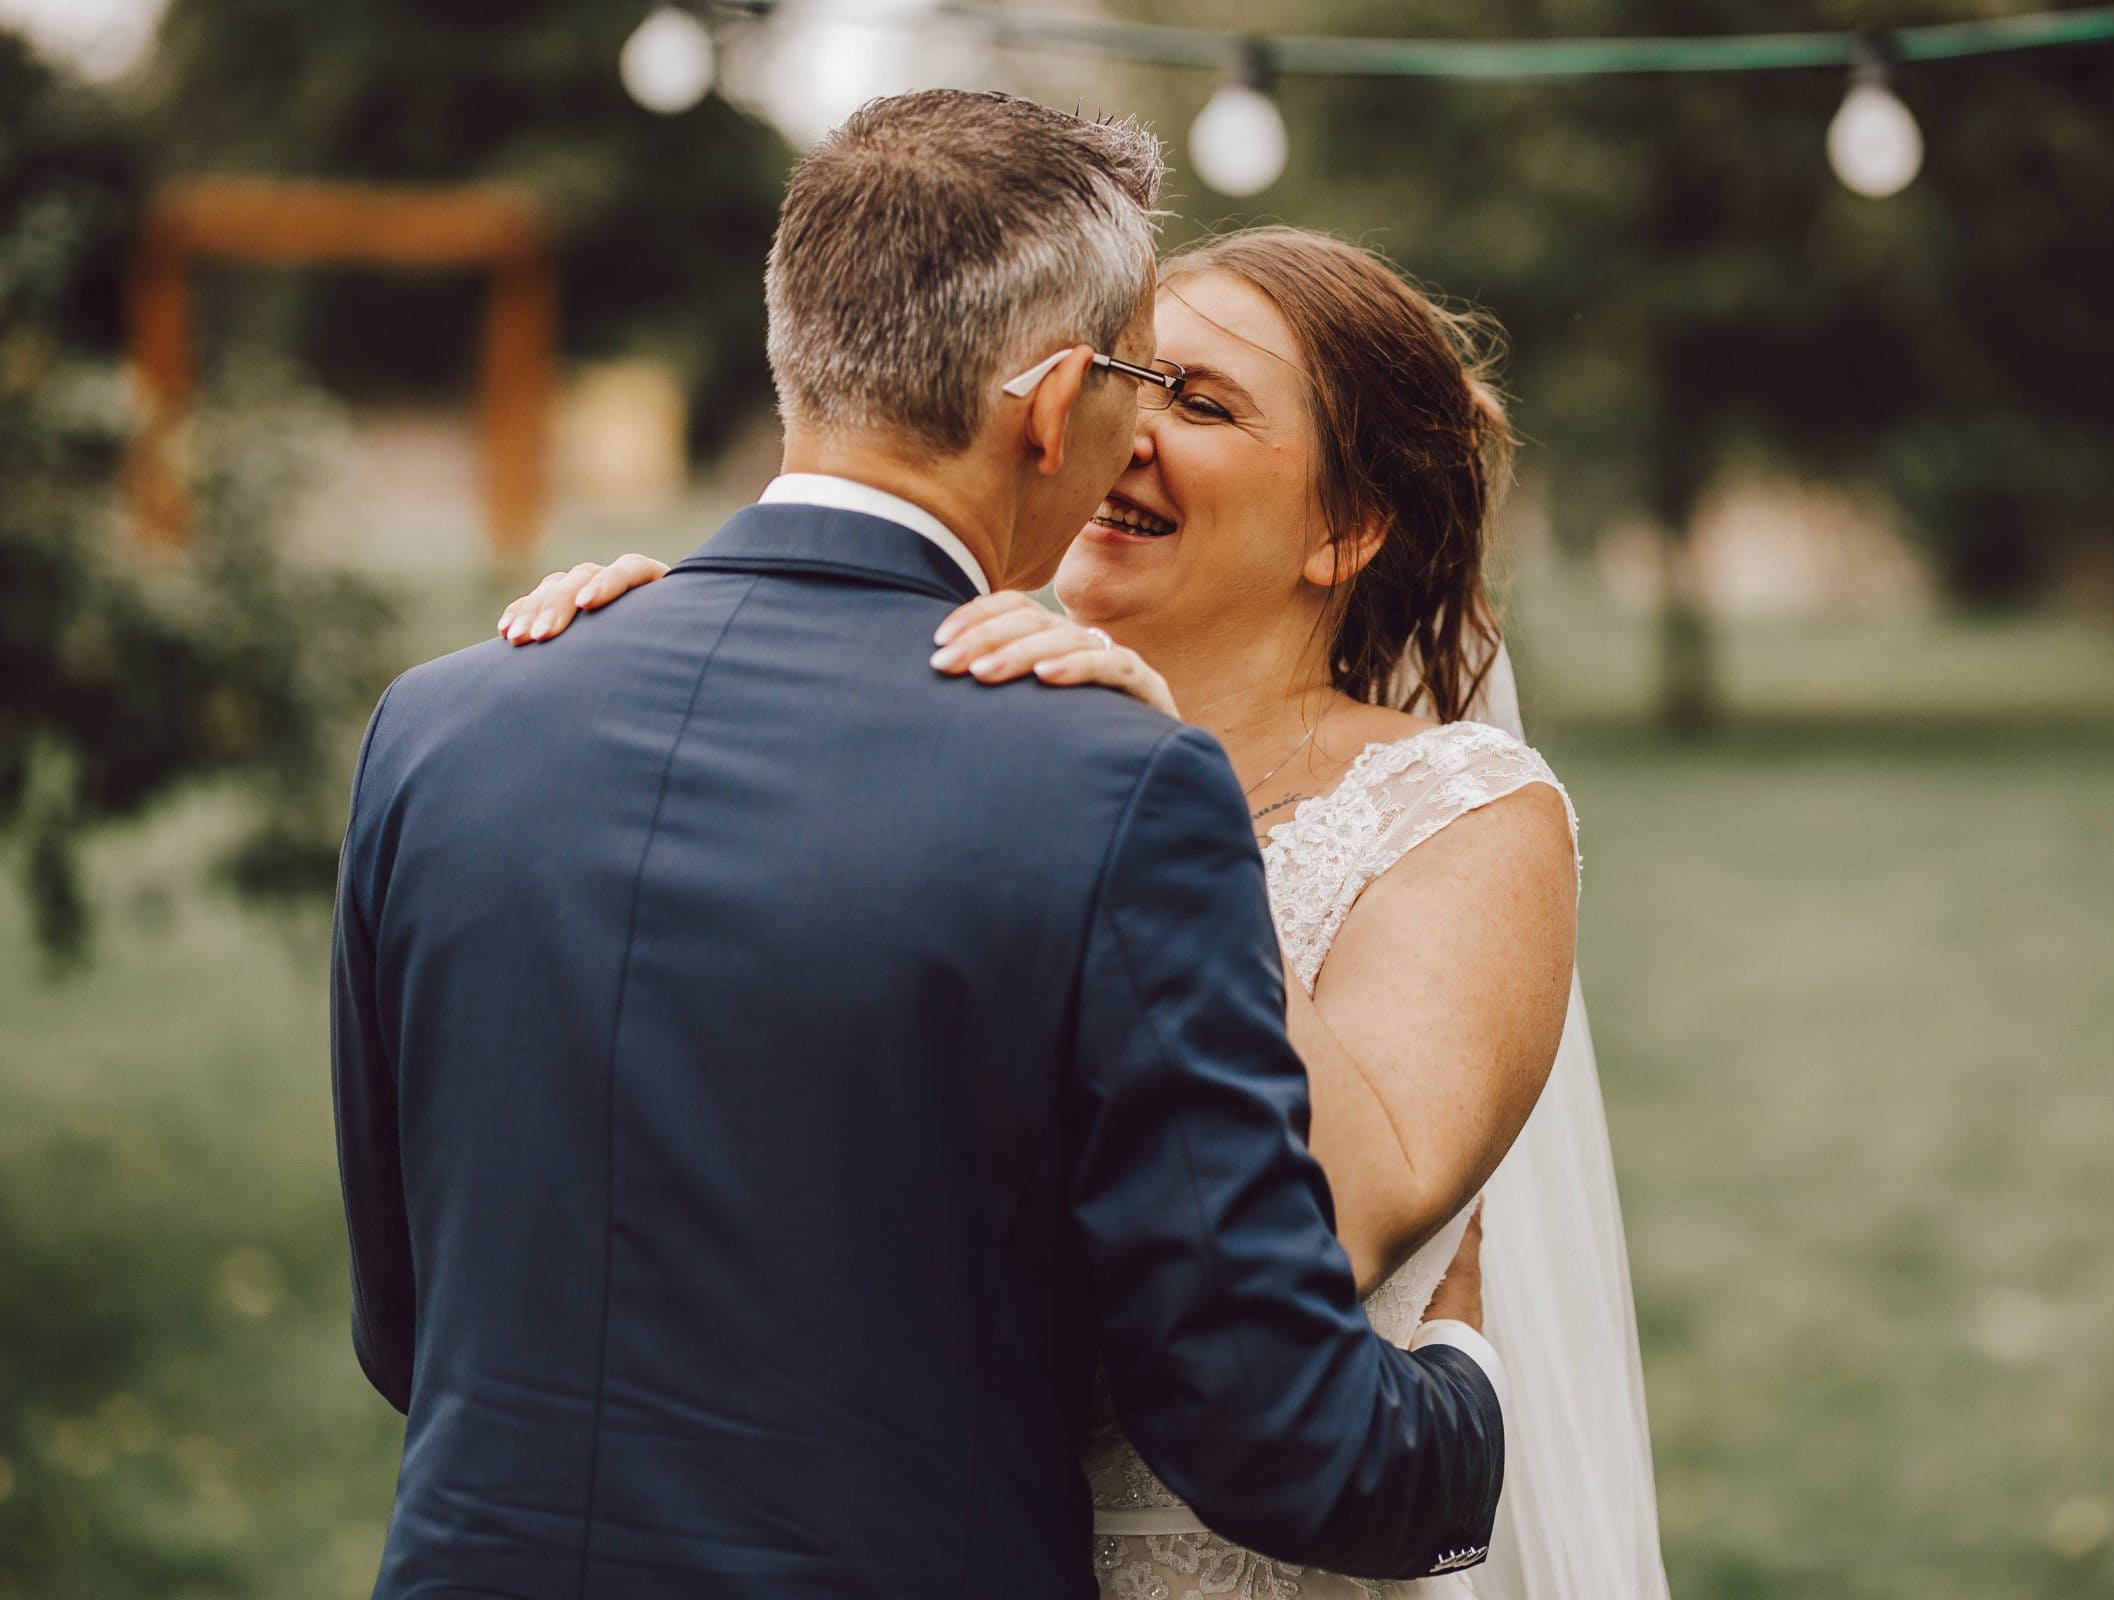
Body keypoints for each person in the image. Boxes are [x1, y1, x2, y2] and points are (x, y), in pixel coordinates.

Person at [333, 94, 1512, 1600]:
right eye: (1138, 381)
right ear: (1051, 404)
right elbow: (1274, 1433)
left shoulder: (443, 721)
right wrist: (1465, 1395)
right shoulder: (1108, 788)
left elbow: (408, 1331)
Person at [500, 226, 1672, 1598]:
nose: (1134, 431)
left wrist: (1162, 811)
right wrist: (652, 663)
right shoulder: (971, 724)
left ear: (1345, 529)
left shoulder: (1467, 812)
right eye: (1130, 378)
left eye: (1207, 403)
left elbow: (1341, 1210)